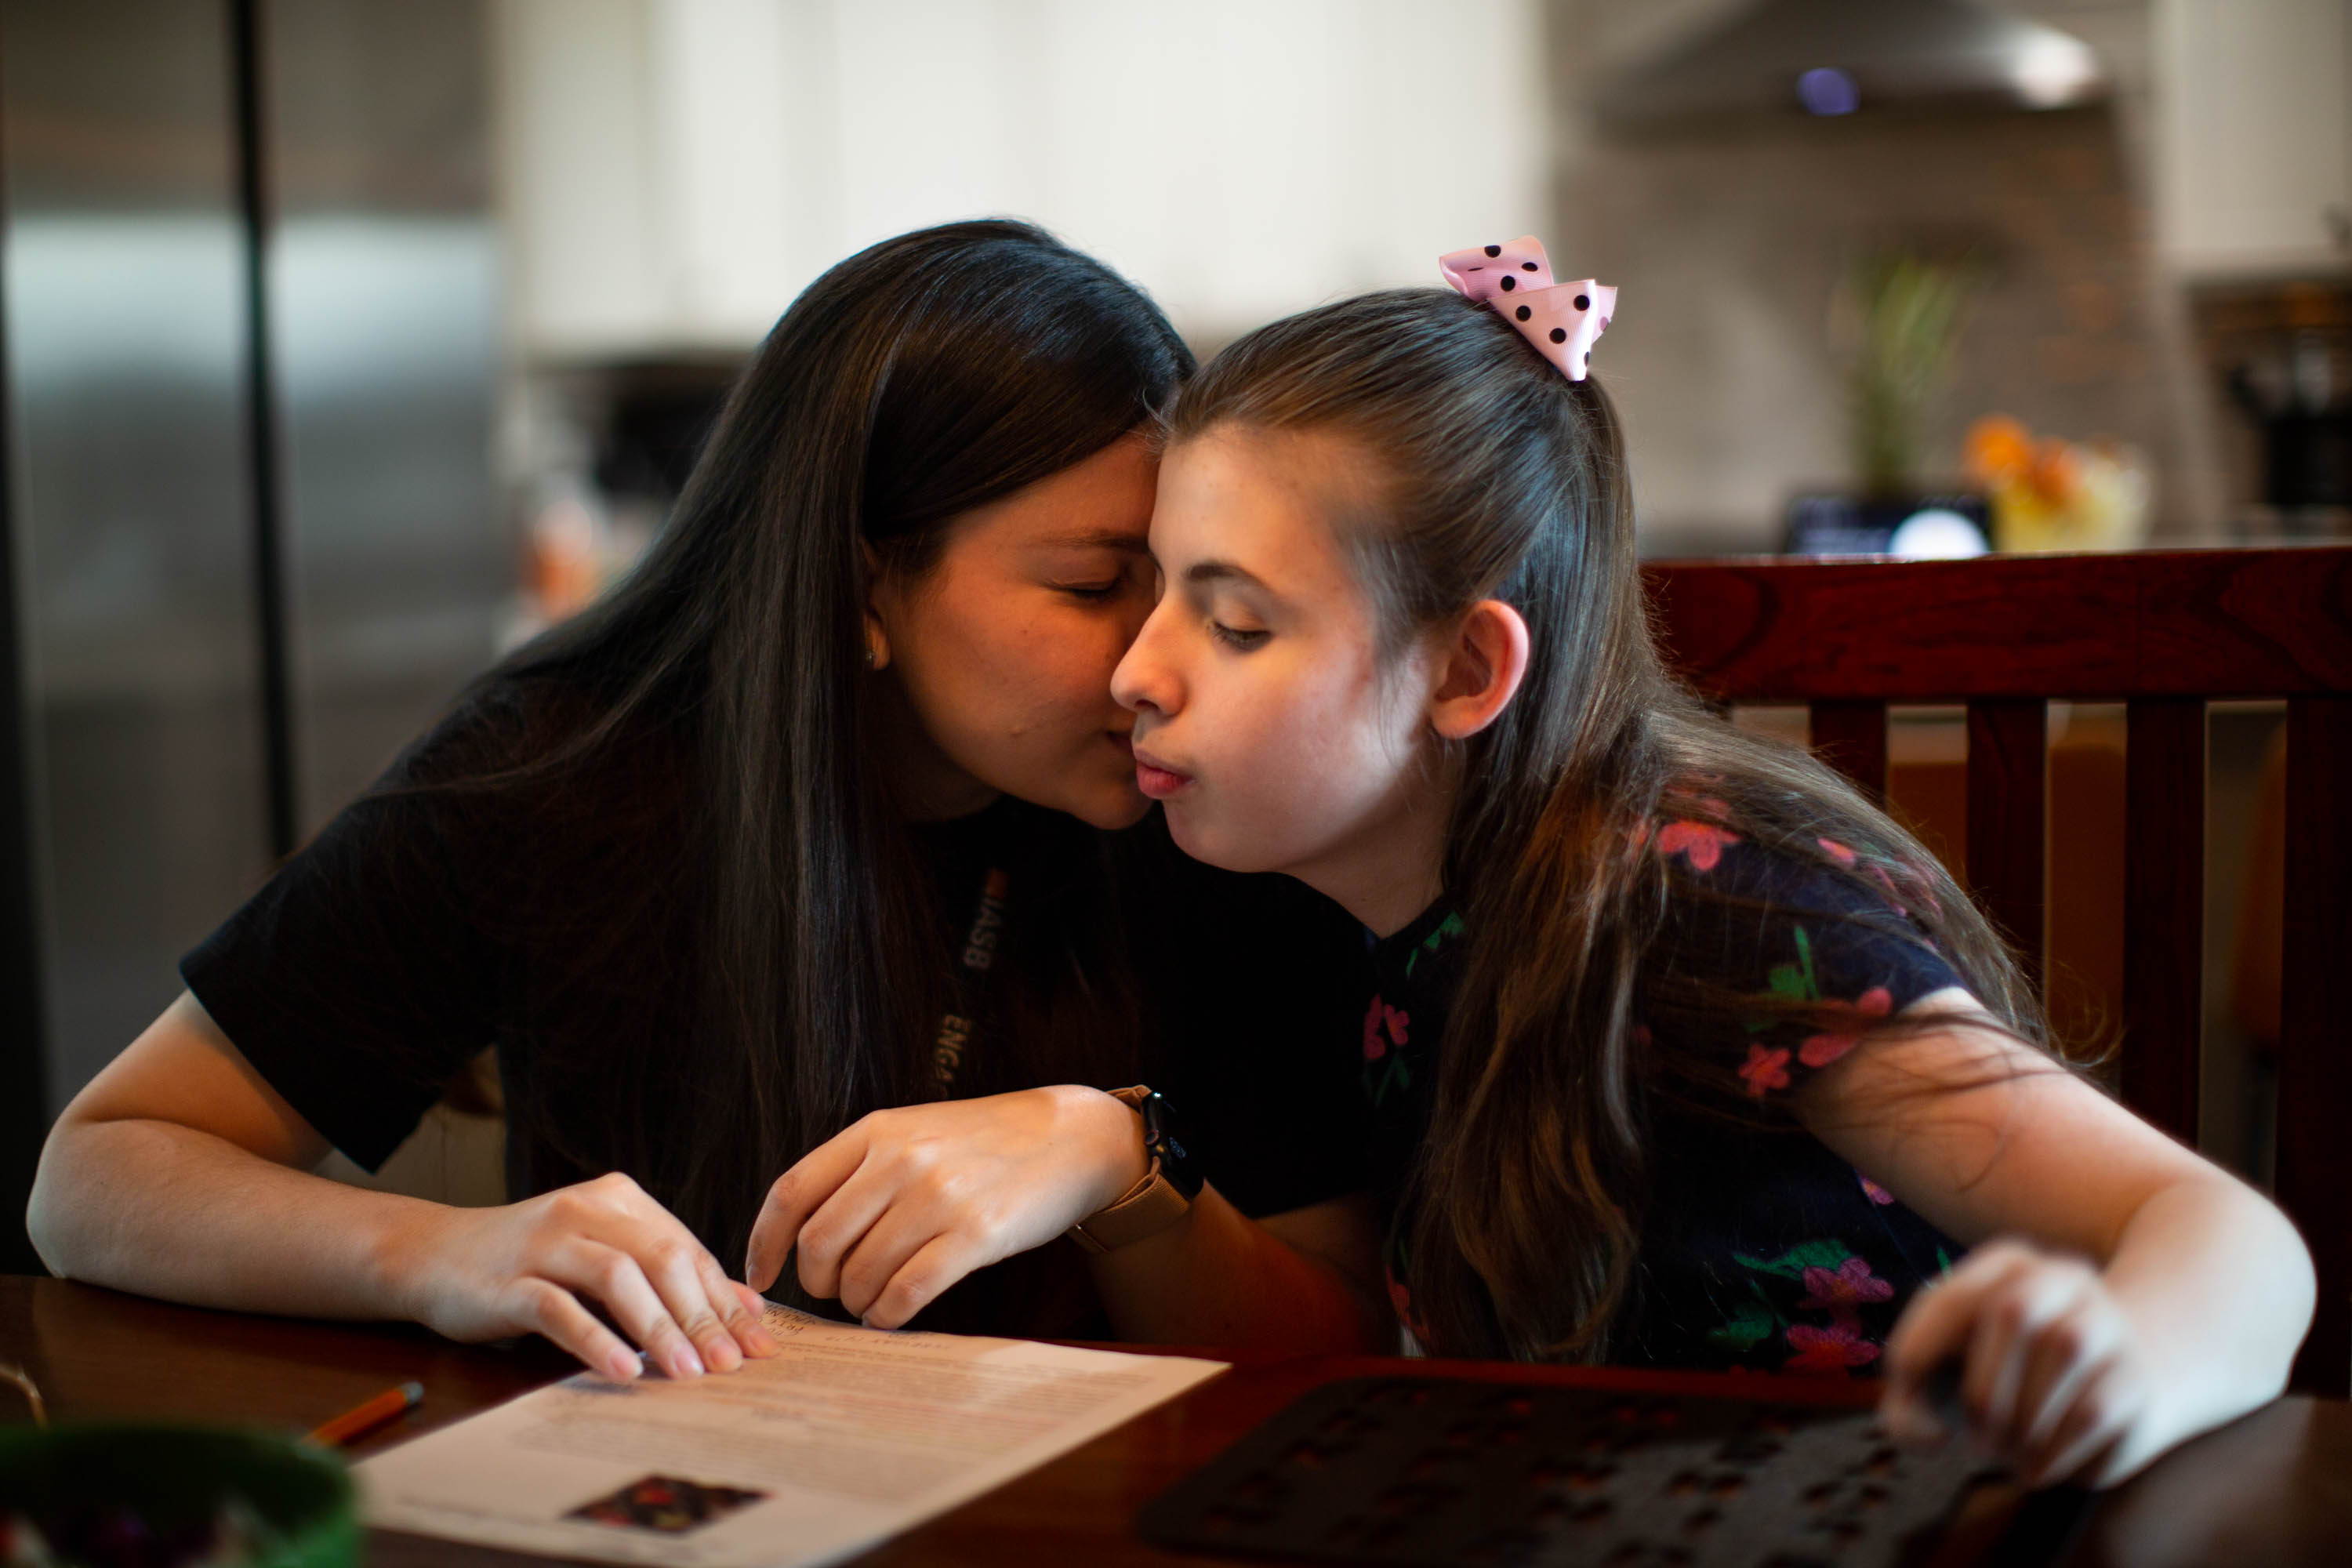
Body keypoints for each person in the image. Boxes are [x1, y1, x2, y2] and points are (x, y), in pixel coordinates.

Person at [27, 221, 1385, 1383]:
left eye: (1185, 585)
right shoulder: (565, 771)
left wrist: (1117, 1158)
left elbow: (1338, 1347)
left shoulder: (1211, 797)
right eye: (1097, 586)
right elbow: (96, 1173)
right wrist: (444, 1252)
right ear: (861, 588)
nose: (1159, 664)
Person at [1105, 260, 2315, 1488]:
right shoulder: (1369, 908)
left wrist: (2115, 1364)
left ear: (1468, 671)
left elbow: (2235, 1240)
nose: (1135, 673)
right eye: (1148, 590)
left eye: (1236, 623)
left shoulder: (1706, 904)